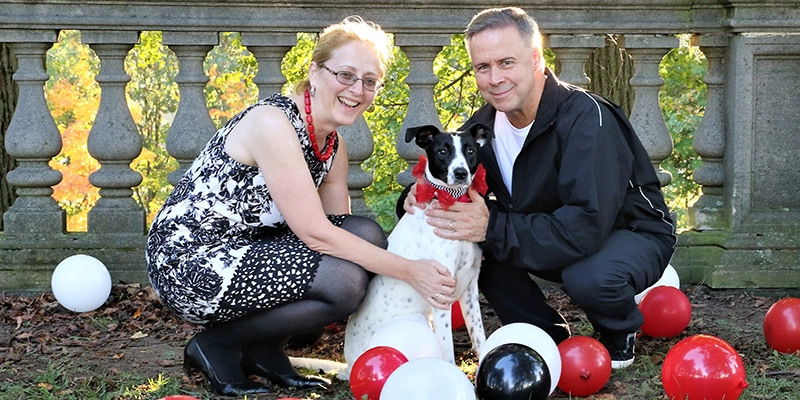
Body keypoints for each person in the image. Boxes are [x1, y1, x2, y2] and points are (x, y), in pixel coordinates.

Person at [146, 16, 458, 396]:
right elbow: (315, 233)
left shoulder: (333, 145)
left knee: (366, 235)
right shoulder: (273, 123)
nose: (357, 89)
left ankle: (264, 348)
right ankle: (216, 345)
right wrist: (411, 271)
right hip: (192, 259)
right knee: (344, 283)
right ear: (314, 72)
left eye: (369, 80)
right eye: (345, 74)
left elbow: (339, 229)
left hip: (249, 251)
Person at [403, 7, 676, 369]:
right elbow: (445, 183)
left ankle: (618, 329)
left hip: (628, 231)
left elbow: (587, 225)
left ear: (536, 58)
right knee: (473, 238)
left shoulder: (587, 118)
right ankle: (545, 336)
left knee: (589, 275)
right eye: (482, 67)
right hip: (552, 227)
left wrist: (492, 227)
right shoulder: (481, 130)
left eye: (506, 62)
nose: (495, 78)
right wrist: (414, 197)